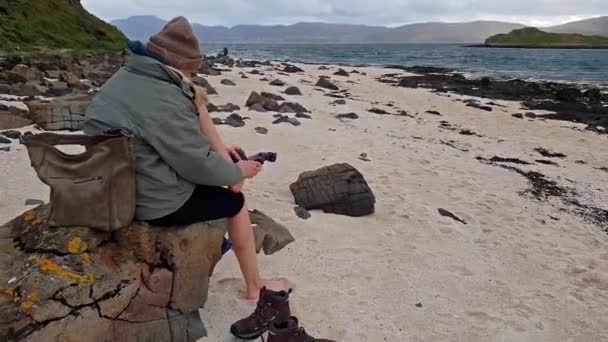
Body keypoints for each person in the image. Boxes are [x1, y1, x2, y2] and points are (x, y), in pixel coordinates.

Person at [83, 16, 288, 300]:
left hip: (112, 186)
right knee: (234, 202)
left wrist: (219, 155)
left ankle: (225, 249)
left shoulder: (125, 77)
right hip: (149, 202)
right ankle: (254, 286)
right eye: (190, 72)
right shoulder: (163, 96)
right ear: (180, 66)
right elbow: (195, 165)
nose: (191, 79)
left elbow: (164, 140)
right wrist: (239, 171)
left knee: (221, 179)